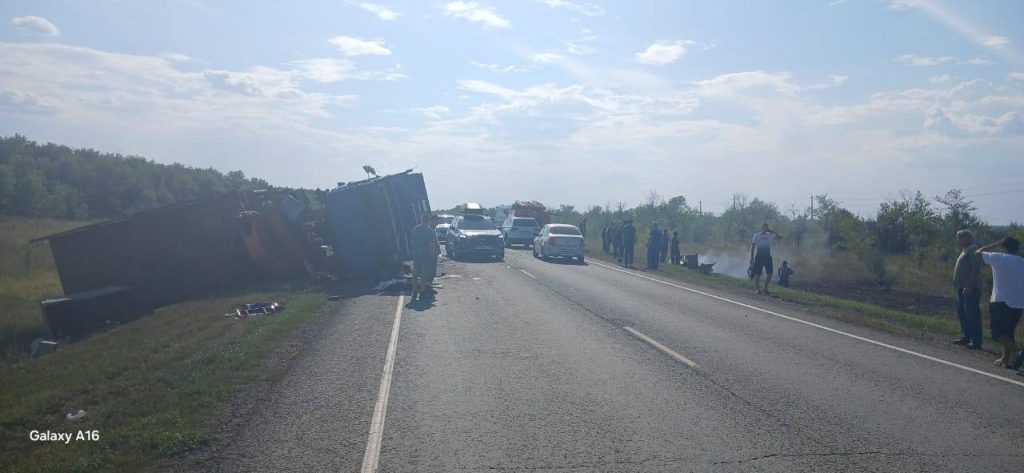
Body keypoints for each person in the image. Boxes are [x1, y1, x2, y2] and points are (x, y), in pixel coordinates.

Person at [975, 237, 1024, 368]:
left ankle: (1017, 351)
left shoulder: (999, 258)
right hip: (1018, 304)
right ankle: (1005, 360)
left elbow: (978, 253)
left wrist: (995, 244)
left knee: (996, 333)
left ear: (1003, 247)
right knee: (1008, 332)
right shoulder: (1022, 262)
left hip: (1001, 301)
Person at [952, 230, 983, 349]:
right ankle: (966, 337)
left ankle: (976, 341)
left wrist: (969, 286)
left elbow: (975, 268)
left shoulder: (973, 249)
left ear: (967, 238)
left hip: (970, 288)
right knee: (962, 313)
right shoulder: (965, 249)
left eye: (960, 238)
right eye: (958, 238)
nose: (958, 240)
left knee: (972, 314)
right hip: (962, 287)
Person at [410, 214, 441, 299]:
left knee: (415, 273)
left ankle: (414, 291)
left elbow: (412, 242)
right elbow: (431, 245)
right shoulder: (429, 231)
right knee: (424, 274)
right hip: (426, 256)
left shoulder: (415, 229)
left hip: (416, 255)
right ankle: (422, 291)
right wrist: (432, 255)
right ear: (428, 221)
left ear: (422, 220)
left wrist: (414, 251)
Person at [749, 223, 782, 295]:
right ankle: (757, 289)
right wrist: (752, 258)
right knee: (758, 273)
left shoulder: (770, 235)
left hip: (767, 256)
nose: (765, 228)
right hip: (759, 256)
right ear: (761, 228)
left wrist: (772, 231)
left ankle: (765, 288)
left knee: (770, 273)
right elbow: (752, 247)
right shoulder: (756, 235)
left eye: (766, 227)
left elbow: (780, 237)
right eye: (764, 227)